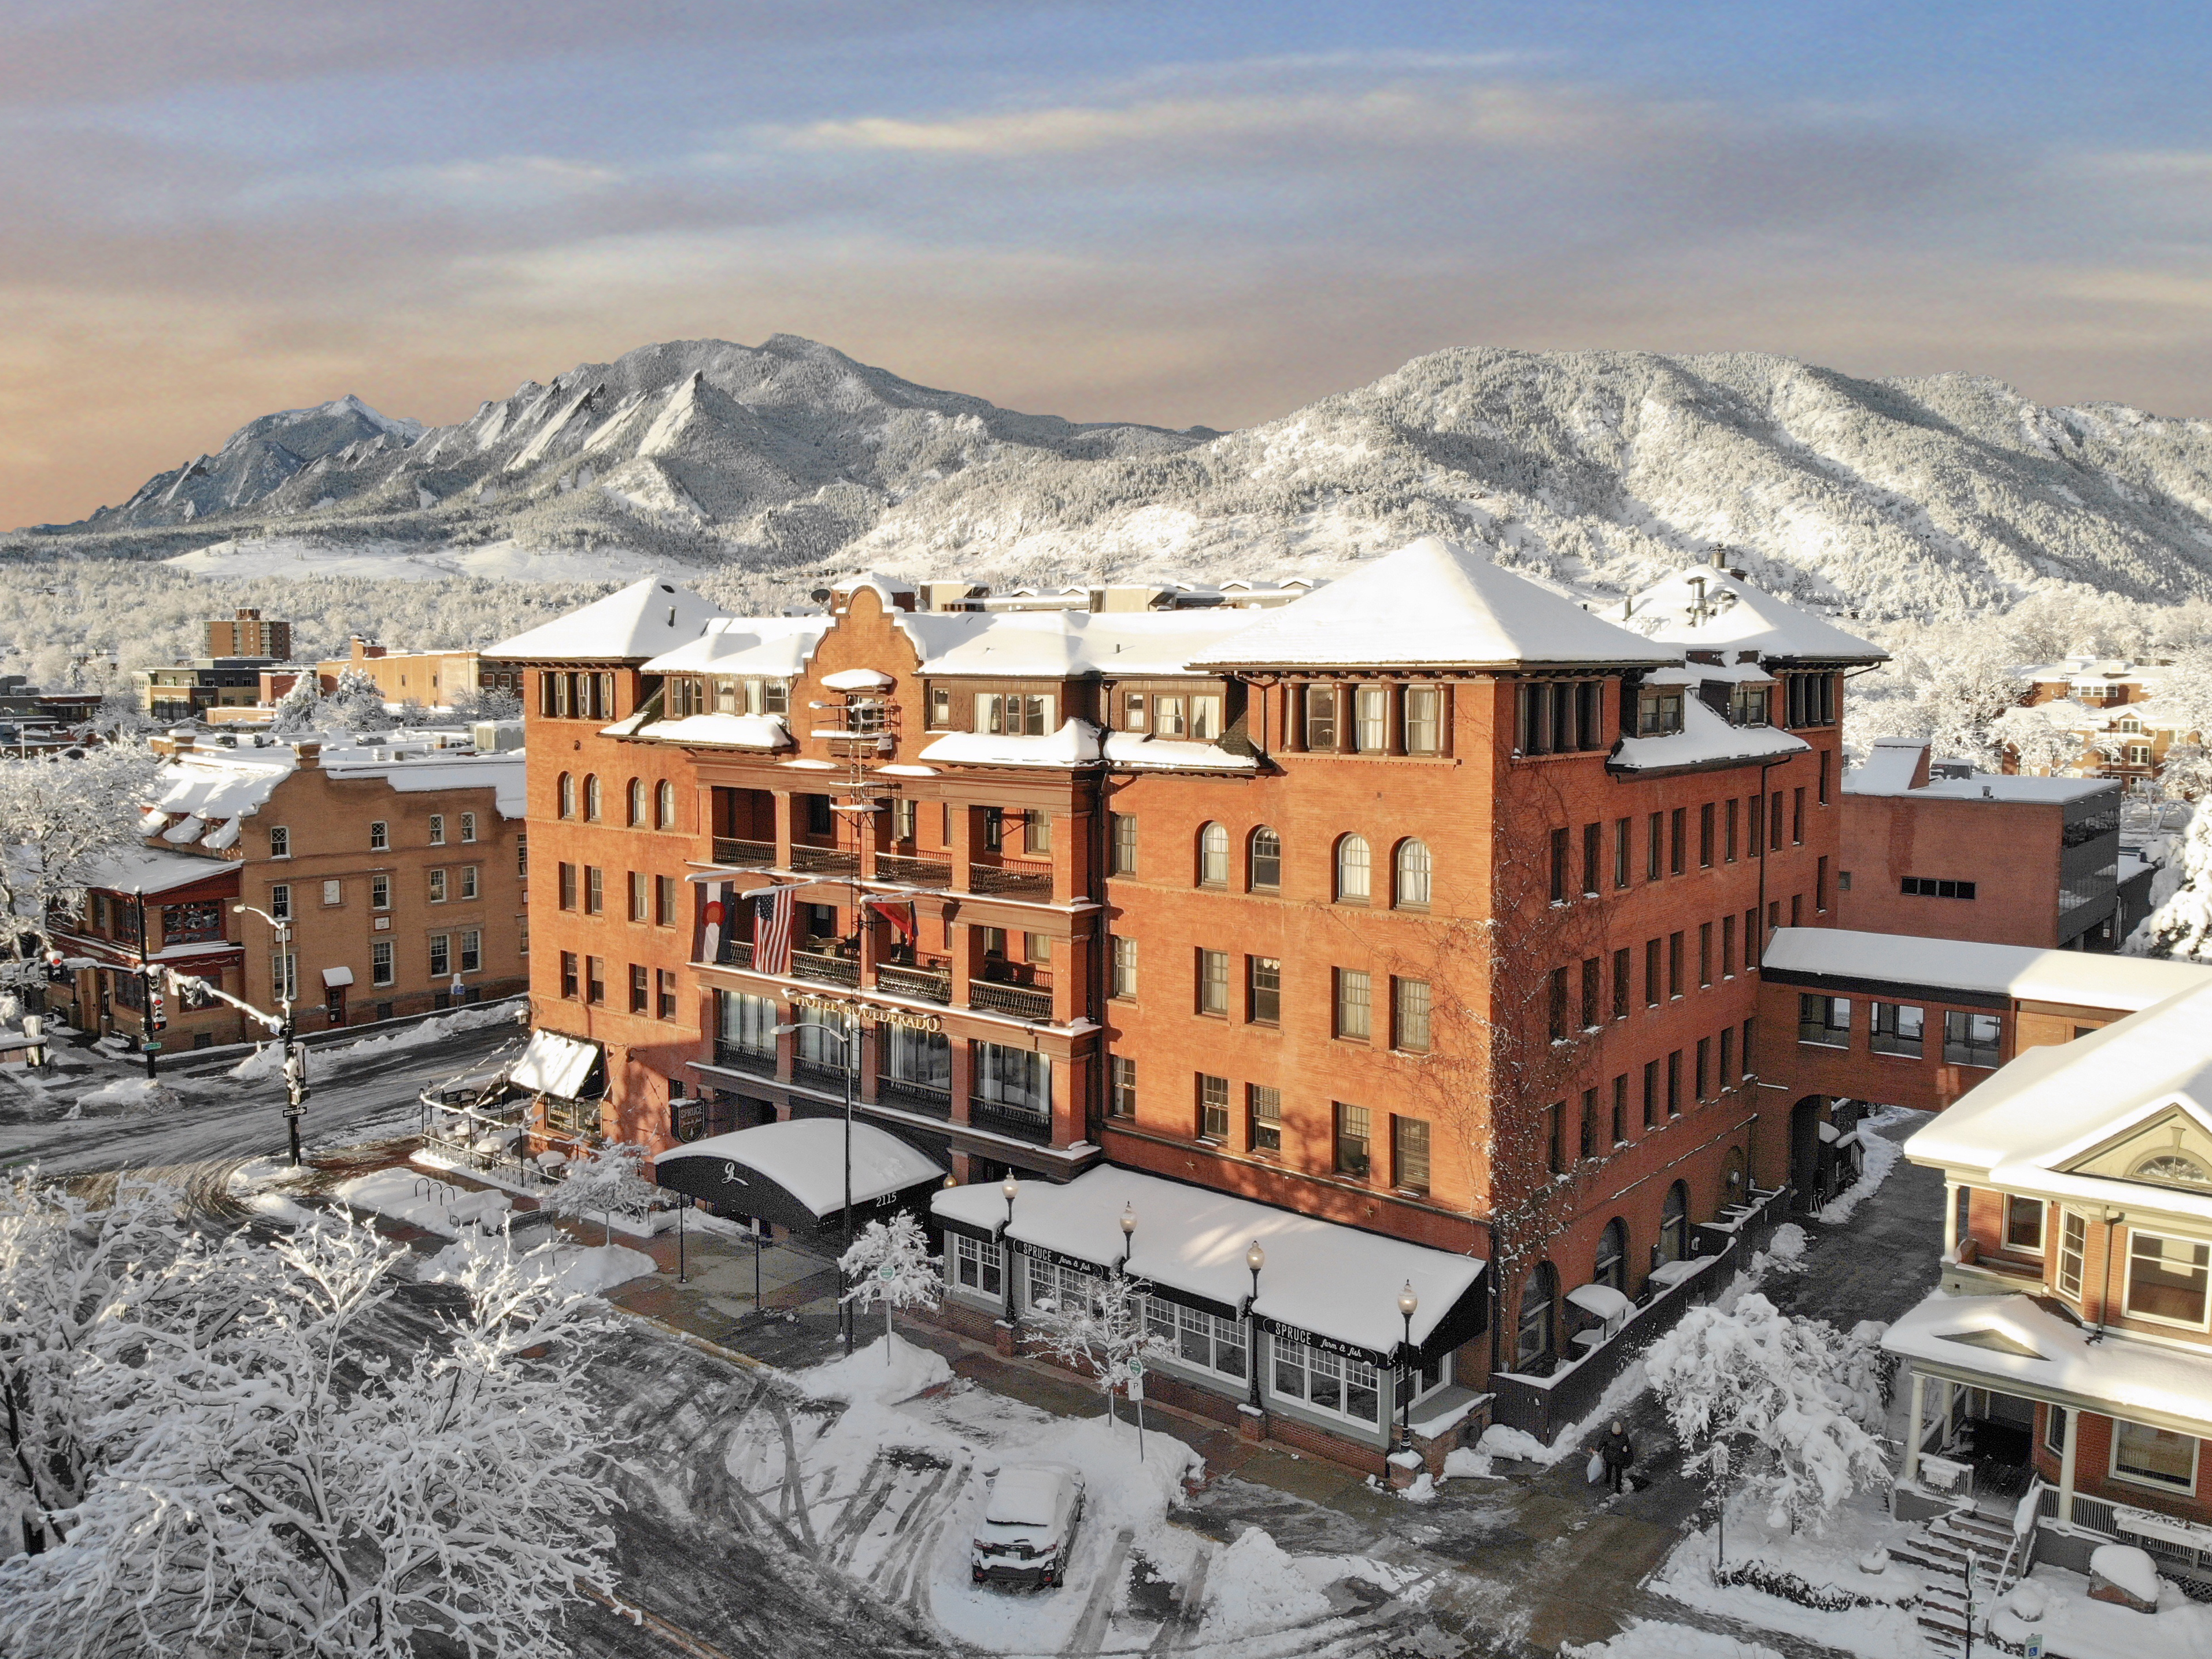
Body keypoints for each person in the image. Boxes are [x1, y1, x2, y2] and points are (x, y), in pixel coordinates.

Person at [1598, 1420, 1635, 1494]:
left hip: (1616, 1458)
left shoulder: (1621, 1435)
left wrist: (1626, 1447)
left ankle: (1616, 1486)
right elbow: (1602, 1443)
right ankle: (1610, 1481)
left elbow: (1627, 1443)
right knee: (1611, 1470)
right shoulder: (1609, 1435)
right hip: (1614, 1458)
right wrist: (1597, 1450)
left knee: (1618, 1473)